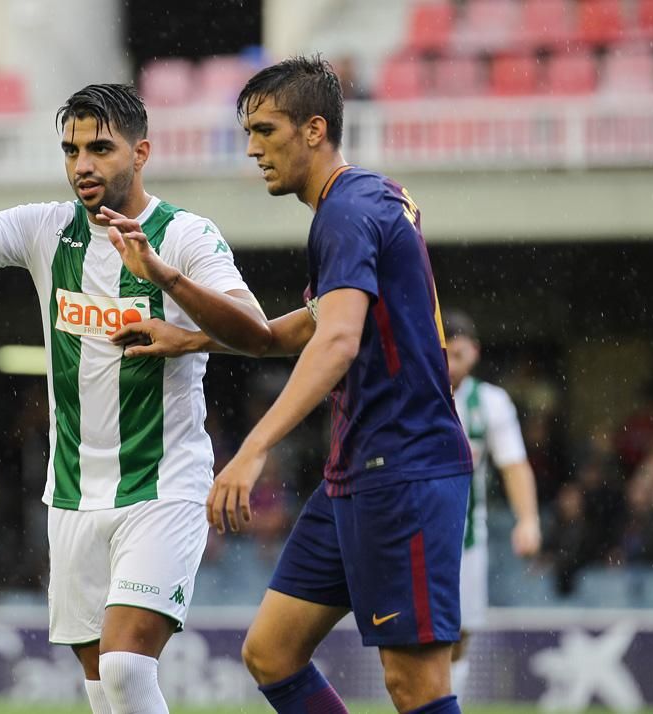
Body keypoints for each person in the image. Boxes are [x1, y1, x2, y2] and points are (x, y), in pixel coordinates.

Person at [0, 42, 270, 714]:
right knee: (102, 691)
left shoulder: (185, 236)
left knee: (123, 670)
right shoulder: (46, 230)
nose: (82, 165)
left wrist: (185, 327)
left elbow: (255, 326)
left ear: (140, 154)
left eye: (100, 149)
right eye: (71, 150)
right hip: (73, 495)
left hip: (163, 483)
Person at [110, 55, 473, 714]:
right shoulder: (369, 197)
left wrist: (252, 449)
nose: (252, 148)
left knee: (415, 685)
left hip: (406, 468)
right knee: (271, 651)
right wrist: (189, 328)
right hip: (357, 473)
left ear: (313, 129)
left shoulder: (344, 213)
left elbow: (338, 340)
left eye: (265, 131)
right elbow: (298, 330)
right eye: (248, 132)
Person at [443, 309, 541, 696]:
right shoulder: (411, 393)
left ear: (475, 352)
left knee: (459, 629)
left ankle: (450, 702)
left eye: (459, 354)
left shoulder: (490, 402)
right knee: (411, 631)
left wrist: (528, 519)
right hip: (408, 530)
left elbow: (514, 466)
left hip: (465, 535)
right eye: (444, 354)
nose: (451, 365)